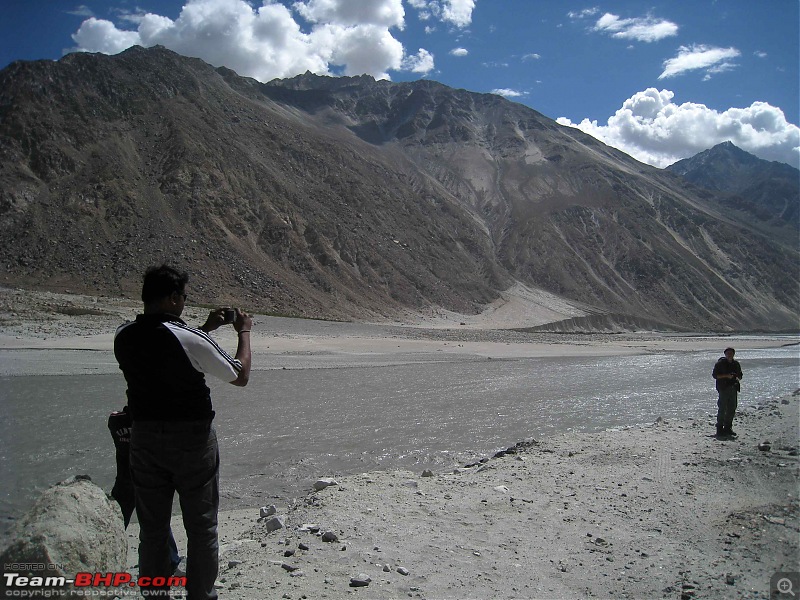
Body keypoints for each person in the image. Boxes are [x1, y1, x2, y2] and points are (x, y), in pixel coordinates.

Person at [114, 265, 252, 599]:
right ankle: (201, 595)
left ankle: (155, 594)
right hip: (191, 442)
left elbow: (167, 352)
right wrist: (243, 332)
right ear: (174, 298)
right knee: (202, 526)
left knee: (153, 528)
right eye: (184, 298)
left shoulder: (124, 335)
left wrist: (205, 328)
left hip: (144, 440)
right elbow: (239, 375)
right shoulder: (189, 338)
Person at [107, 406, 181, 571]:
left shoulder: (116, 420)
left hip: (124, 480)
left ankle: (105, 556)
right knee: (157, 522)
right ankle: (172, 562)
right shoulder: (150, 423)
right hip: (146, 479)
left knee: (118, 522)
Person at [712, 347, 743, 438]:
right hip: (723, 388)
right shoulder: (720, 364)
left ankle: (728, 428)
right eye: (728, 353)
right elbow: (715, 375)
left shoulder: (736, 364)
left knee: (732, 408)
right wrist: (726, 376)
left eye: (731, 353)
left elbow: (740, 375)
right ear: (725, 354)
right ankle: (719, 429)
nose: (730, 355)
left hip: (733, 388)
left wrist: (737, 377)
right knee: (722, 408)